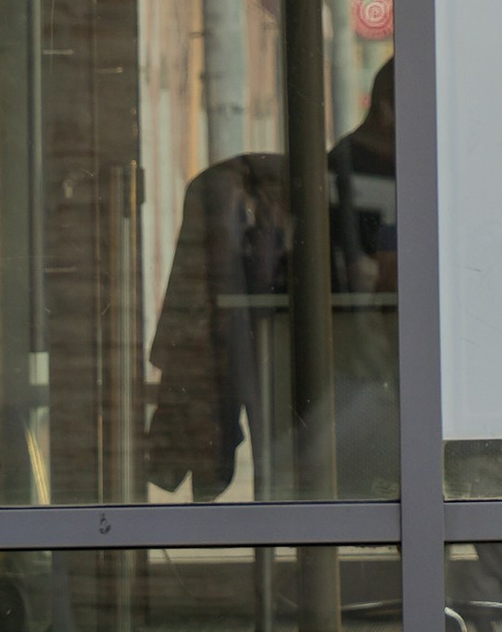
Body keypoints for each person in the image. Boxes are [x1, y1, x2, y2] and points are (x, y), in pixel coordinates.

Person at [145, 61, 399, 499]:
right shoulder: (353, 183)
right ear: (389, 111)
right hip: (346, 388)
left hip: (344, 387)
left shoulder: (358, 178)